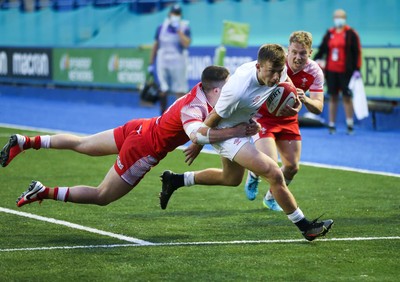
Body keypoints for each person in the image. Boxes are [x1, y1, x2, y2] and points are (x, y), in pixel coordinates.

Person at [0, 66, 259, 209]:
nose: (231, 93)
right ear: (215, 89)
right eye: (227, 89)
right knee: (103, 196)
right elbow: (199, 133)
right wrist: (234, 132)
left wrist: (197, 143)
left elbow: (204, 127)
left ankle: (25, 142)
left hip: (139, 127)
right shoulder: (194, 108)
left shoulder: (201, 94)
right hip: (144, 148)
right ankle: (43, 192)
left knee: (83, 143)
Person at [159, 44, 334, 241]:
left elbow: (289, 89)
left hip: (243, 124)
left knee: (231, 179)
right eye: (271, 72)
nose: (276, 77)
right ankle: (306, 227)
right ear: (259, 67)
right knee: (274, 173)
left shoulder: (280, 70)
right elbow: (212, 118)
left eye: (279, 71)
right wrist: (197, 144)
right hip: (224, 131)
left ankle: (176, 180)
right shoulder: (237, 90)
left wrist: (296, 106)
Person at [244, 31, 325, 211]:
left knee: (292, 168)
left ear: (310, 53)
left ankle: (270, 198)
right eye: (294, 52)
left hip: (289, 120)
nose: (297, 57)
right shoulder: (277, 65)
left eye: (303, 53)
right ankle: (253, 172)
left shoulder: (315, 72)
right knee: (270, 165)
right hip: (264, 118)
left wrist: (305, 99)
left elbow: (318, 107)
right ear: (288, 50)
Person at [313, 9, 362, 135]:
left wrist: (357, 69)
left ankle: (350, 125)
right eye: (336, 17)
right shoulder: (329, 33)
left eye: (341, 17)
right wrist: (313, 61)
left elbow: (357, 52)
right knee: (333, 97)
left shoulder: (351, 33)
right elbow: (322, 49)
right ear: (334, 18)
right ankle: (332, 125)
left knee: (347, 97)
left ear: (345, 18)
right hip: (331, 71)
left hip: (346, 71)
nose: (338, 19)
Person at [148, 4, 191, 114]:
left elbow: (186, 44)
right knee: (163, 88)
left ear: (180, 15)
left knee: (180, 90)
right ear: (169, 14)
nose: (175, 15)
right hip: (163, 59)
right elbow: (156, 45)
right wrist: (151, 63)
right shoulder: (161, 27)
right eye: (173, 13)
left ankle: (179, 116)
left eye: (177, 14)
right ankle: (162, 115)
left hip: (178, 60)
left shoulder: (184, 27)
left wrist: (179, 31)